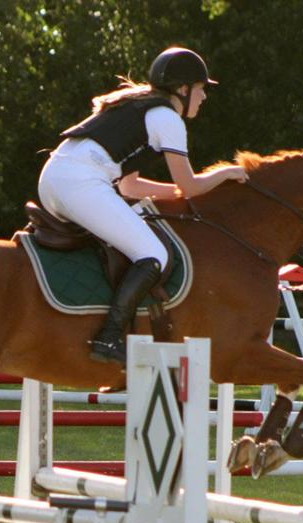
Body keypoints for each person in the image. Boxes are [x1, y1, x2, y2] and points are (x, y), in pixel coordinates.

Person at [37, 46, 249, 365]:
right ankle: (108, 337)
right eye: (202, 89)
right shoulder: (167, 118)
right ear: (183, 89)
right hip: (81, 184)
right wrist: (226, 173)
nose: (204, 97)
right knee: (155, 254)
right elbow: (190, 185)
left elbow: (130, 186)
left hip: (54, 180)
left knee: (137, 237)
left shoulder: (137, 108)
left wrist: (178, 194)